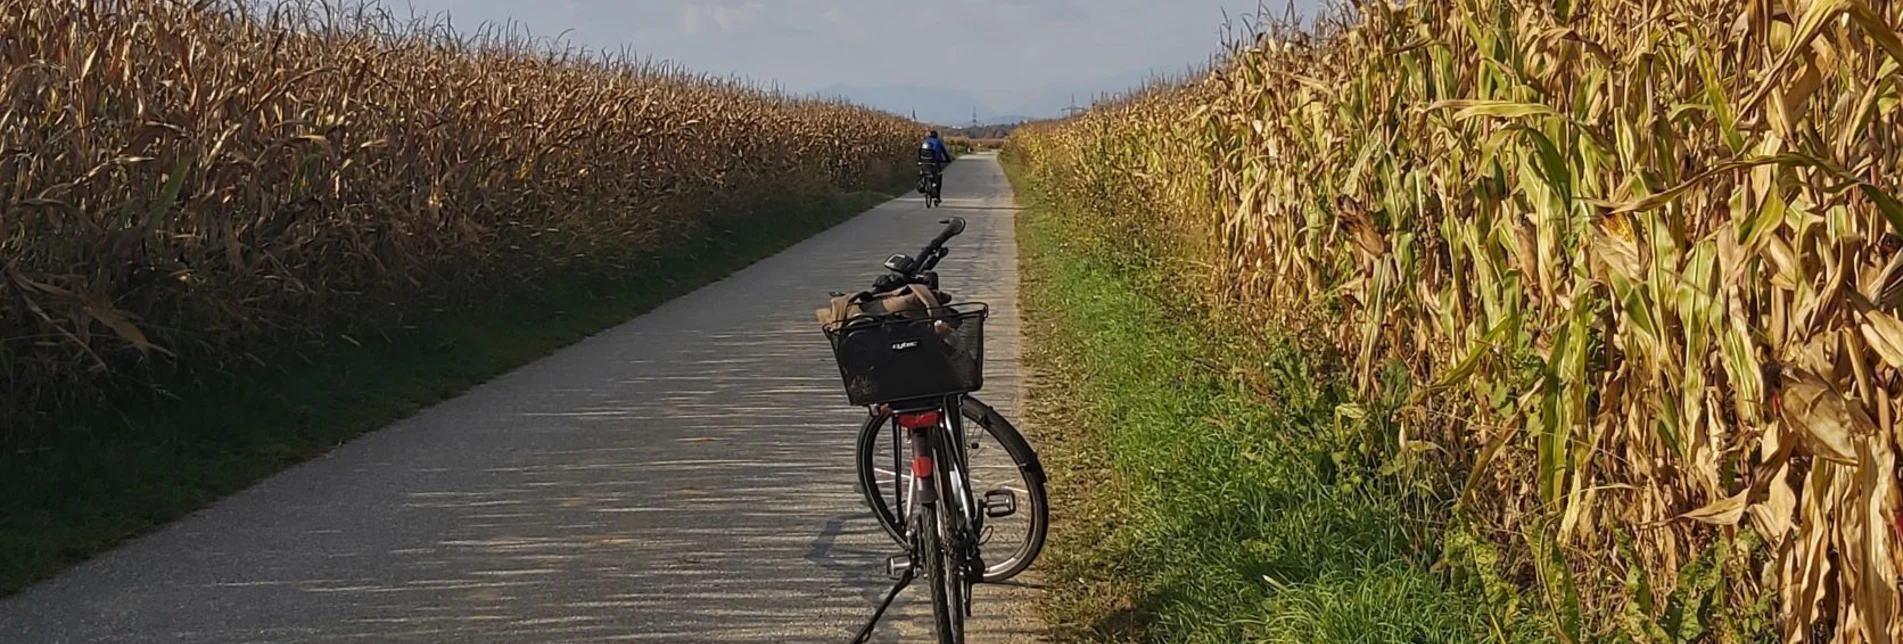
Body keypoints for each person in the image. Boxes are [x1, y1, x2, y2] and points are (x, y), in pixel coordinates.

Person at [917, 131, 951, 199]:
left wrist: (920, 160)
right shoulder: (938, 142)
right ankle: (937, 196)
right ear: (936, 136)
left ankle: (923, 184)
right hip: (935, 162)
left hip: (924, 162)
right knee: (938, 177)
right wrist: (948, 160)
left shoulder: (925, 141)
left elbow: (920, 151)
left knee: (923, 173)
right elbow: (944, 152)